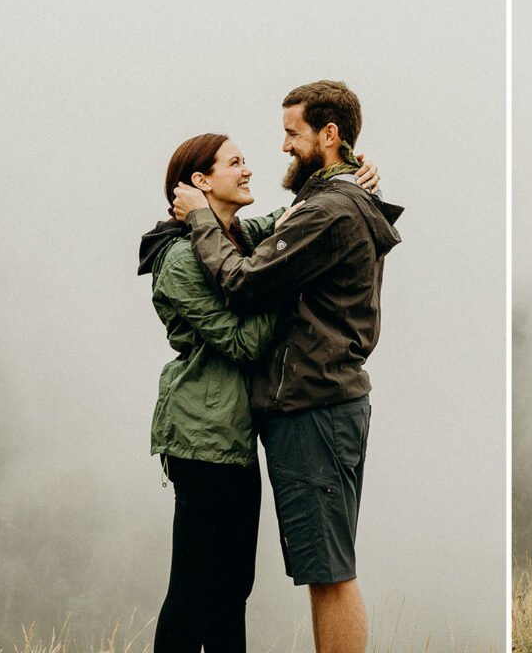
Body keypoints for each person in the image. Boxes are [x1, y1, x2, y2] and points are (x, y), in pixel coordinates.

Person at [172, 80, 403, 653]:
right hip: (318, 404)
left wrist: (200, 217)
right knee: (322, 566)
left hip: (315, 408)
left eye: (292, 133)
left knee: (328, 570)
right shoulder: (329, 202)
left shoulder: (327, 210)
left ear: (329, 135)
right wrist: (359, 174)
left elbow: (245, 281)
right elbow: (273, 229)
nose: (282, 147)